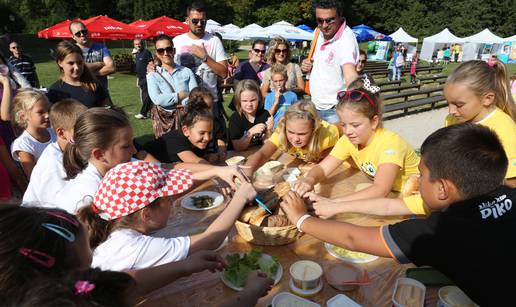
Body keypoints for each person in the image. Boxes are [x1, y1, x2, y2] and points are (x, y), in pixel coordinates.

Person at [280, 124, 515, 306]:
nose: (418, 181)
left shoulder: (440, 232)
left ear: (442, 188)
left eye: (422, 175)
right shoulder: (509, 194)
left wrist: (302, 220)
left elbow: (354, 238)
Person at [0, 205, 273, 305]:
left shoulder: (74, 290)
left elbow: (122, 283)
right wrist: (247, 296)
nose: (94, 267)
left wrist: (184, 267)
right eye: (87, 264)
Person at [78, 161, 257, 271]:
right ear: (146, 214)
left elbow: (158, 199)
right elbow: (210, 240)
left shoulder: (111, 218)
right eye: (168, 199)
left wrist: (216, 171)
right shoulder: (132, 246)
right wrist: (240, 197)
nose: (172, 200)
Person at [294, 76, 420, 201]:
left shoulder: (390, 143)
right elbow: (322, 168)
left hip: (416, 194)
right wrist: (309, 180)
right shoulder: (347, 141)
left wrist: (333, 203)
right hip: (393, 193)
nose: (348, 132)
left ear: (374, 122)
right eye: (343, 125)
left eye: (355, 125)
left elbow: (381, 189)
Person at [444, 59, 516, 185]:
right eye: (448, 103)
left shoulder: (506, 131)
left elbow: (512, 184)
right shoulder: (452, 120)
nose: (451, 111)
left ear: (487, 99)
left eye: (459, 104)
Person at [300, 0, 359, 123]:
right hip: (314, 106)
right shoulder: (317, 32)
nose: (324, 25)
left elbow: (350, 73)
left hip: (335, 110)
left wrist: (356, 101)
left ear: (340, 16)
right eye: (319, 20)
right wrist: (307, 65)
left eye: (330, 20)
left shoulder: (346, 39)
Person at [244, 100, 339, 174]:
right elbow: (263, 154)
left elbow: (343, 132)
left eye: (302, 134)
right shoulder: (281, 133)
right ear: (285, 127)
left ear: (314, 130)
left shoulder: (326, 135)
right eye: (291, 132)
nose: (295, 139)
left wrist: (322, 157)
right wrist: (245, 174)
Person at [22, 99, 86, 204]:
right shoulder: (53, 166)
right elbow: (58, 206)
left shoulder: (71, 151)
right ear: (61, 133)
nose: (88, 136)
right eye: (81, 132)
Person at [173, 1, 228, 117]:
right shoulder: (177, 41)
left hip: (210, 102)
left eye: (203, 21)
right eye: (195, 21)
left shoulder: (214, 41)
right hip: (186, 103)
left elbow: (224, 73)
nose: (199, 24)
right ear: (187, 20)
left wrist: (205, 57)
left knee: (212, 134)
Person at [143, 97, 214, 164]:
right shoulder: (176, 139)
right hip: (141, 164)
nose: (207, 138)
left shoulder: (200, 142)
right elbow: (196, 162)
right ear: (186, 131)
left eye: (210, 133)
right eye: (202, 133)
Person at [46, 41, 109, 108]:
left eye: (79, 63)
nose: (76, 68)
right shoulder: (55, 91)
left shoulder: (94, 85)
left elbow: (107, 109)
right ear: (60, 63)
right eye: (71, 63)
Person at [11, 89, 55, 178]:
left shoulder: (54, 132)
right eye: (40, 112)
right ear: (23, 116)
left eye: (48, 110)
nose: (47, 115)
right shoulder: (24, 144)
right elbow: (34, 177)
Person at [147, 35, 198, 110]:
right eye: (161, 51)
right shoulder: (153, 74)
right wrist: (181, 95)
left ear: (174, 51)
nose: (165, 53)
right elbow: (157, 99)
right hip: (165, 119)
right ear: (157, 54)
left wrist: (181, 105)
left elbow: (195, 96)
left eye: (169, 49)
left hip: (187, 117)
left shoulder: (187, 71)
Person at [69, 21, 115, 96]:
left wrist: (88, 74)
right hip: (81, 95)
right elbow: (76, 70)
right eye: (78, 33)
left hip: (102, 94)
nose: (82, 35)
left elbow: (111, 68)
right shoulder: (71, 50)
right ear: (73, 37)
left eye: (84, 31)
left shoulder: (101, 47)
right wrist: (100, 64)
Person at [228, 79, 273, 151]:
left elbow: (266, 142)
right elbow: (237, 147)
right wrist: (250, 132)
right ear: (239, 101)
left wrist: (269, 130)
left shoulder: (264, 114)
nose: (249, 104)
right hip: (238, 157)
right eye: (244, 101)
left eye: (253, 100)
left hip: (258, 154)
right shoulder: (235, 119)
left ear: (259, 98)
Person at [188, 87, 228, 162]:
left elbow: (221, 140)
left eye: (209, 107)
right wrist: (205, 158)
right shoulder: (189, 125)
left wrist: (221, 152)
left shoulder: (216, 122)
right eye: (203, 108)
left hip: (214, 159)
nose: (207, 111)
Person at [263, 63, 299, 128]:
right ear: (272, 81)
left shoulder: (293, 96)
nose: (278, 84)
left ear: (286, 79)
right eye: (275, 81)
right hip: (273, 128)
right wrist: (275, 102)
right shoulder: (269, 97)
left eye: (281, 80)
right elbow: (266, 116)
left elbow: (296, 114)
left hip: (288, 128)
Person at [133, 39, 153, 119]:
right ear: (134, 45)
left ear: (142, 44)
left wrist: (150, 74)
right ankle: (148, 112)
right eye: (136, 44)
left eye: (139, 44)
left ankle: (143, 113)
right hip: (141, 78)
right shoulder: (137, 54)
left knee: (147, 96)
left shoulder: (146, 52)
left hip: (146, 77)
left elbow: (151, 63)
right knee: (144, 96)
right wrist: (137, 79)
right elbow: (138, 67)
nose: (138, 45)